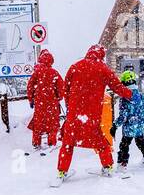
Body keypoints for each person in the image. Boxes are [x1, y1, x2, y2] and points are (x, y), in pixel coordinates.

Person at [56, 44, 131, 181]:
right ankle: (107, 167)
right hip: (92, 115)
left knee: (68, 142)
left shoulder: (75, 66)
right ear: (101, 55)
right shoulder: (103, 69)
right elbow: (117, 86)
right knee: (101, 142)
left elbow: (65, 90)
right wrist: (130, 93)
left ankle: (62, 172)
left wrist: (70, 106)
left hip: (75, 114)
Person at [111, 71, 144, 171]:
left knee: (124, 145)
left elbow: (123, 116)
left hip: (129, 127)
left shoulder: (124, 98)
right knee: (141, 142)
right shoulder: (140, 96)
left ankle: (122, 164)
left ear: (123, 83)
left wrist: (115, 125)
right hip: (140, 126)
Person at [25, 49, 64, 152]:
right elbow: (61, 87)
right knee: (52, 124)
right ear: (51, 61)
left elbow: (30, 86)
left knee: (38, 123)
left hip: (40, 103)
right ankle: (51, 142)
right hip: (52, 103)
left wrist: (31, 99)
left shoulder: (37, 73)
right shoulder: (54, 73)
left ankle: (36, 143)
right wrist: (59, 97)